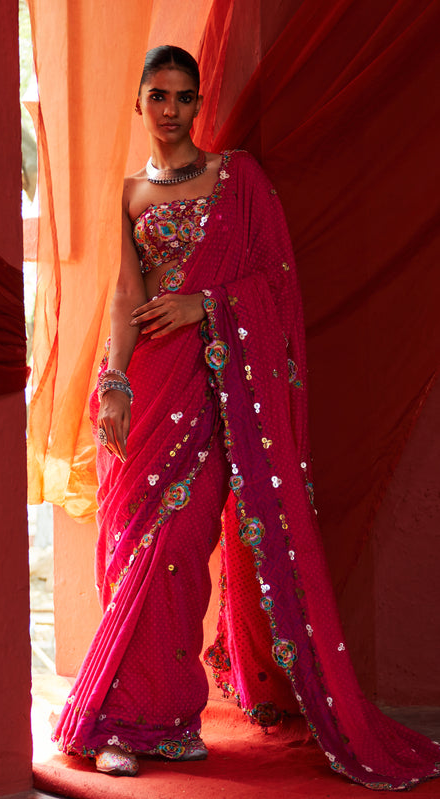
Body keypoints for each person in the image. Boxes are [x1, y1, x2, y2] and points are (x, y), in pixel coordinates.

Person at [53, 45, 440, 789]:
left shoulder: (237, 178)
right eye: (157, 96)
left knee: (178, 542)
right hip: (148, 384)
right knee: (133, 546)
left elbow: (274, 278)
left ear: (197, 105)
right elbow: (122, 295)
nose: (170, 110)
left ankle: (150, 719)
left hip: (213, 385)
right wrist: (110, 385)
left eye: (183, 97)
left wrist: (208, 304)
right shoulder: (132, 190)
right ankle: (130, 723)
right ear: (138, 101)